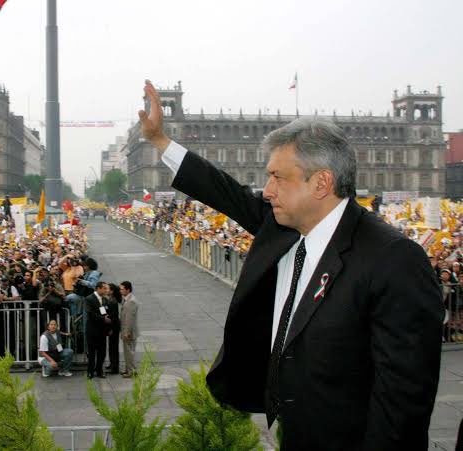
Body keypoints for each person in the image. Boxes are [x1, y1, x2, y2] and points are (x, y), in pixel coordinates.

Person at [138, 80, 444, 450]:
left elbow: (403, 403)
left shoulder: (393, 259)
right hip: (292, 431)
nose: (266, 190)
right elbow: (222, 188)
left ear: (321, 183)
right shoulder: (280, 227)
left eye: (278, 177)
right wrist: (159, 141)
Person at [84, 282, 111, 379]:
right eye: (104, 288)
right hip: (92, 330)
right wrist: (103, 319)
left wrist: (108, 326)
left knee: (102, 352)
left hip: (102, 331)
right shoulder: (89, 299)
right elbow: (90, 314)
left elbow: (105, 312)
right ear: (98, 288)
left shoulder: (104, 299)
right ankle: (90, 371)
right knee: (91, 353)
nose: (106, 290)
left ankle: (99, 370)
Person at [119, 281, 138, 378]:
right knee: (127, 352)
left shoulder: (131, 301)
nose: (120, 291)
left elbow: (129, 319)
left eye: (122, 289)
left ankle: (132, 371)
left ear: (128, 289)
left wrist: (126, 332)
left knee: (129, 352)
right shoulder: (126, 299)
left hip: (129, 332)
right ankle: (128, 370)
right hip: (126, 331)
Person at [105, 282, 121, 374]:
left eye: (107, 289)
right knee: (111, 347)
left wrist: (111, 329)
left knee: (113, 347)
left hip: (114, 326)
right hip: (112, 326)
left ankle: (115, 367)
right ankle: (112, 364)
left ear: (112, 291)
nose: (106, 290)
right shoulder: (110, 299)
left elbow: (114, 317)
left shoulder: (113, 301)